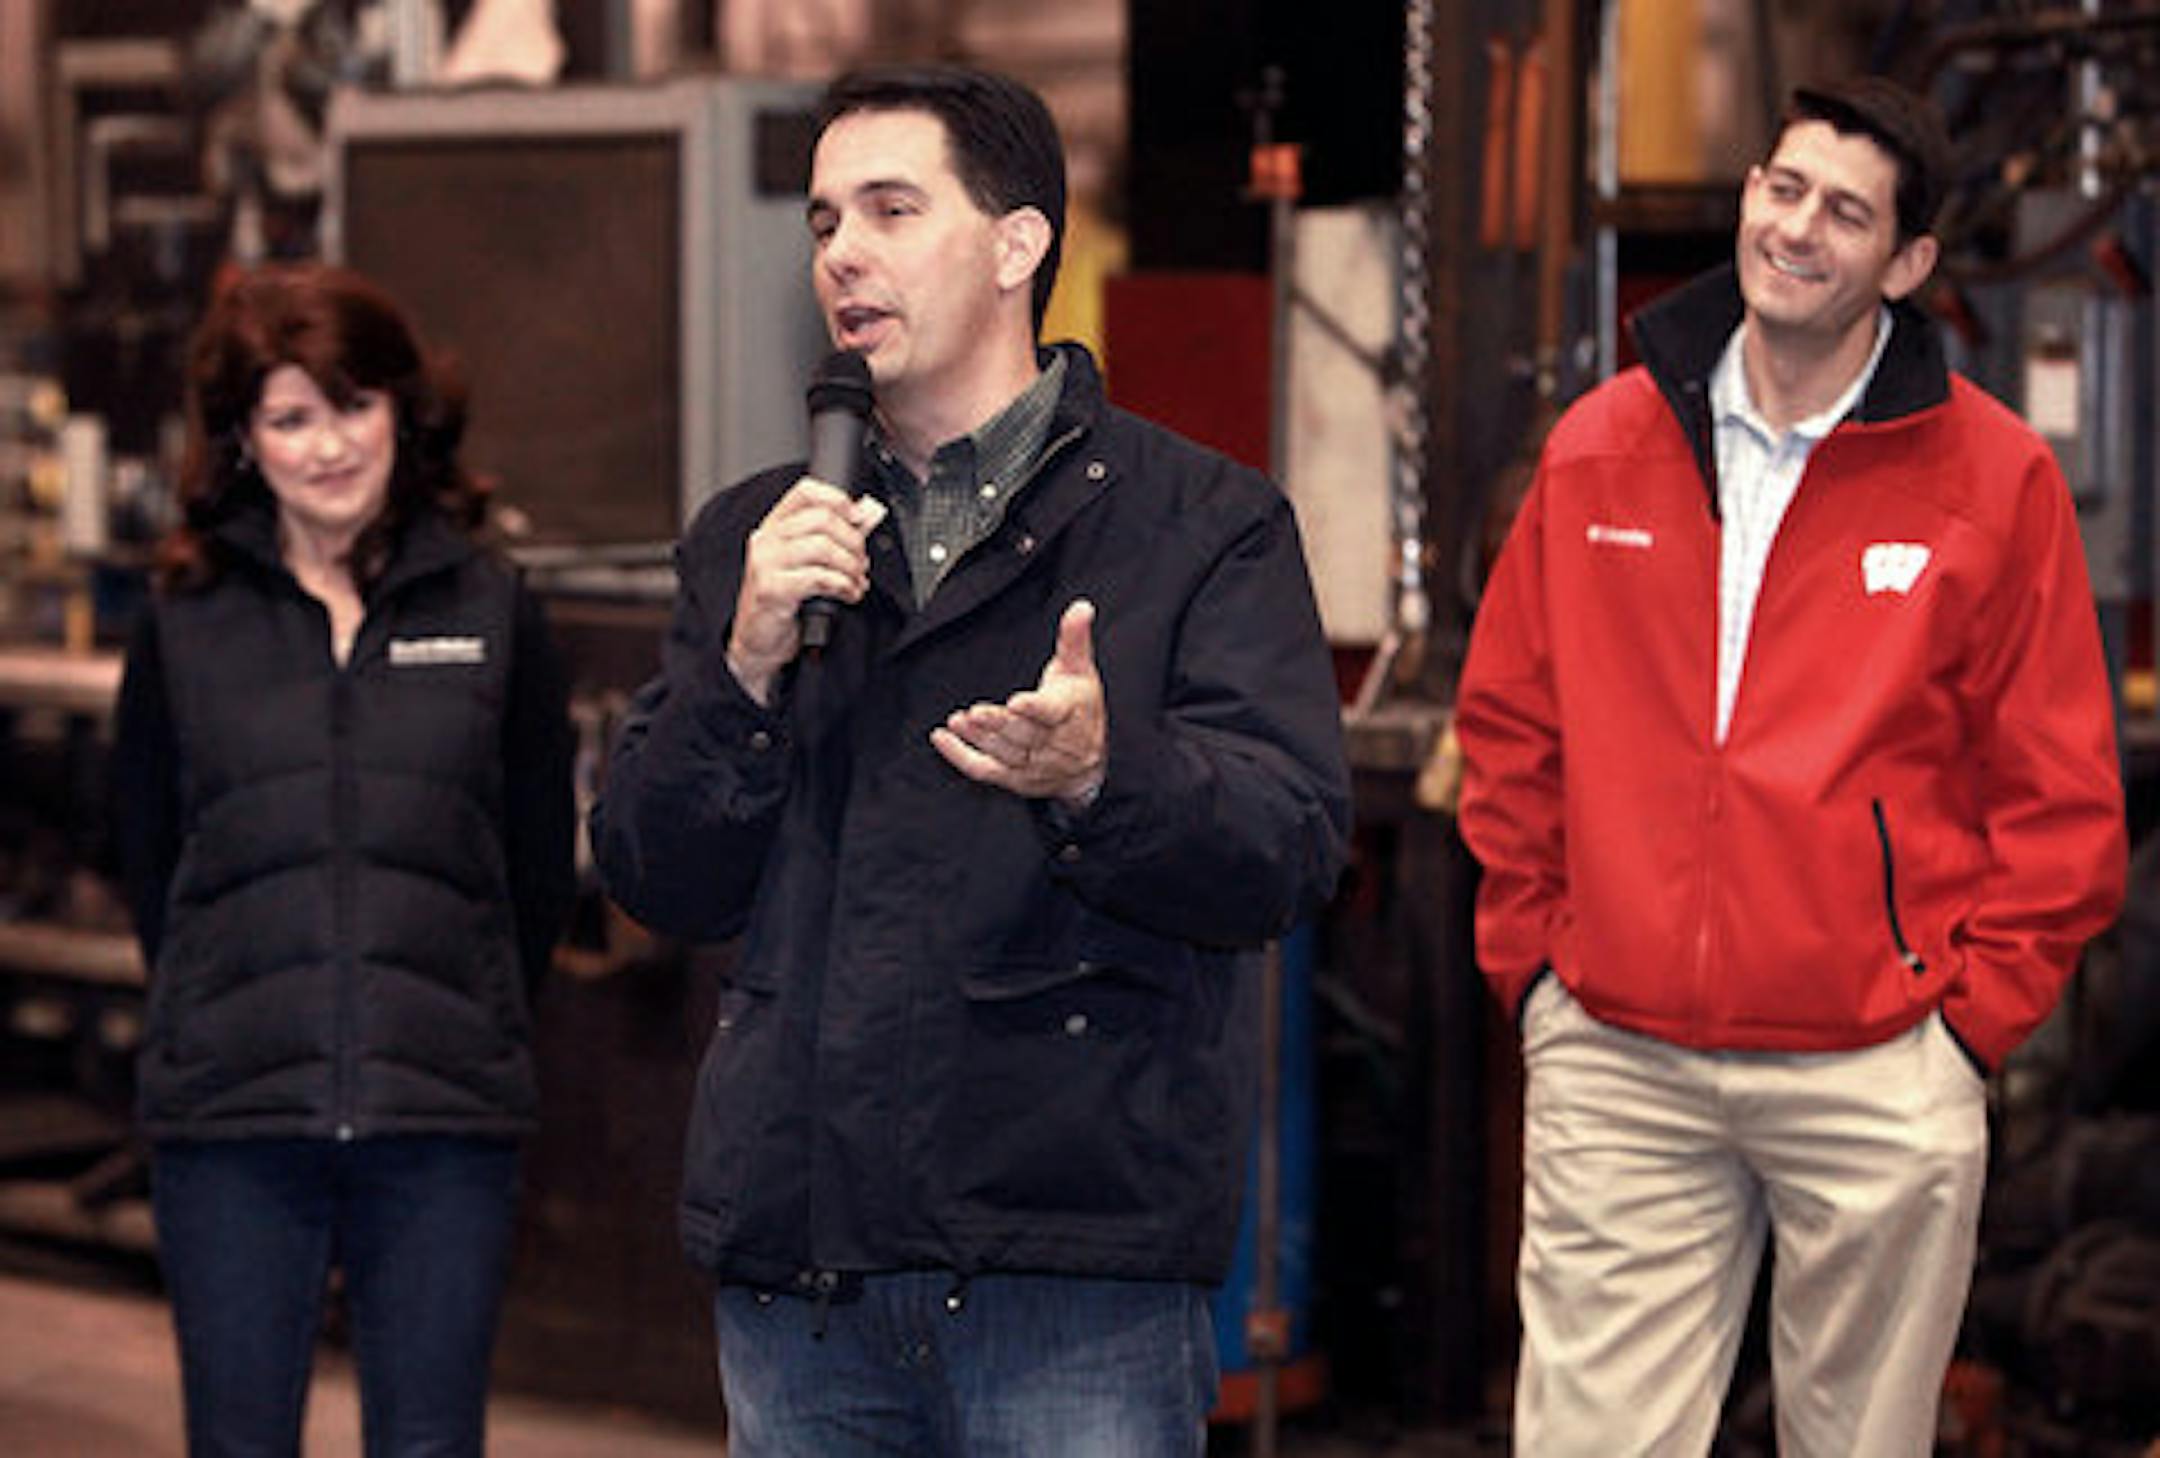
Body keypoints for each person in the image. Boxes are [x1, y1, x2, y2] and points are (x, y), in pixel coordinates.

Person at [590, 63, 1351, 1457]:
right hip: (804, 1274)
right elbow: (655, 871)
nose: (843, 254)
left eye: (891, 209)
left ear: (1017, 244)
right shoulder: (759, 540)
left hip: (1070, 1274)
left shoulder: (1202, 526)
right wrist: (741, 668)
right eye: (825, 221)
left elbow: (1288, 846)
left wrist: (1105, 777)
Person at [1455, 75, 2128, 1456]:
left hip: (1879, 1065)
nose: (1798, 228)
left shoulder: (1994, 480)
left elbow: (2060, 790)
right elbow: (1511, 724)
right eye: (1783, 187)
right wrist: (1539, 974)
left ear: (1910, 263)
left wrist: (1965, 1028)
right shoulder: (1601, 446)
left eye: (1846, 212)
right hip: (1621, 1059)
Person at [112, 262, 576, 1458]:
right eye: (290, 417)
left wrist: (460, 1014)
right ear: (241, 439)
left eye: (353, 405)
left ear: (404, 412)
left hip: (443, 1118)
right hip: (232, 1117)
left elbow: (533, 867)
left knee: (429, 1445)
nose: (327, 447)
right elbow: (146, 852)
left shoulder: (493, 607)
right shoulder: (182, 622)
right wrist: (225, 1005)